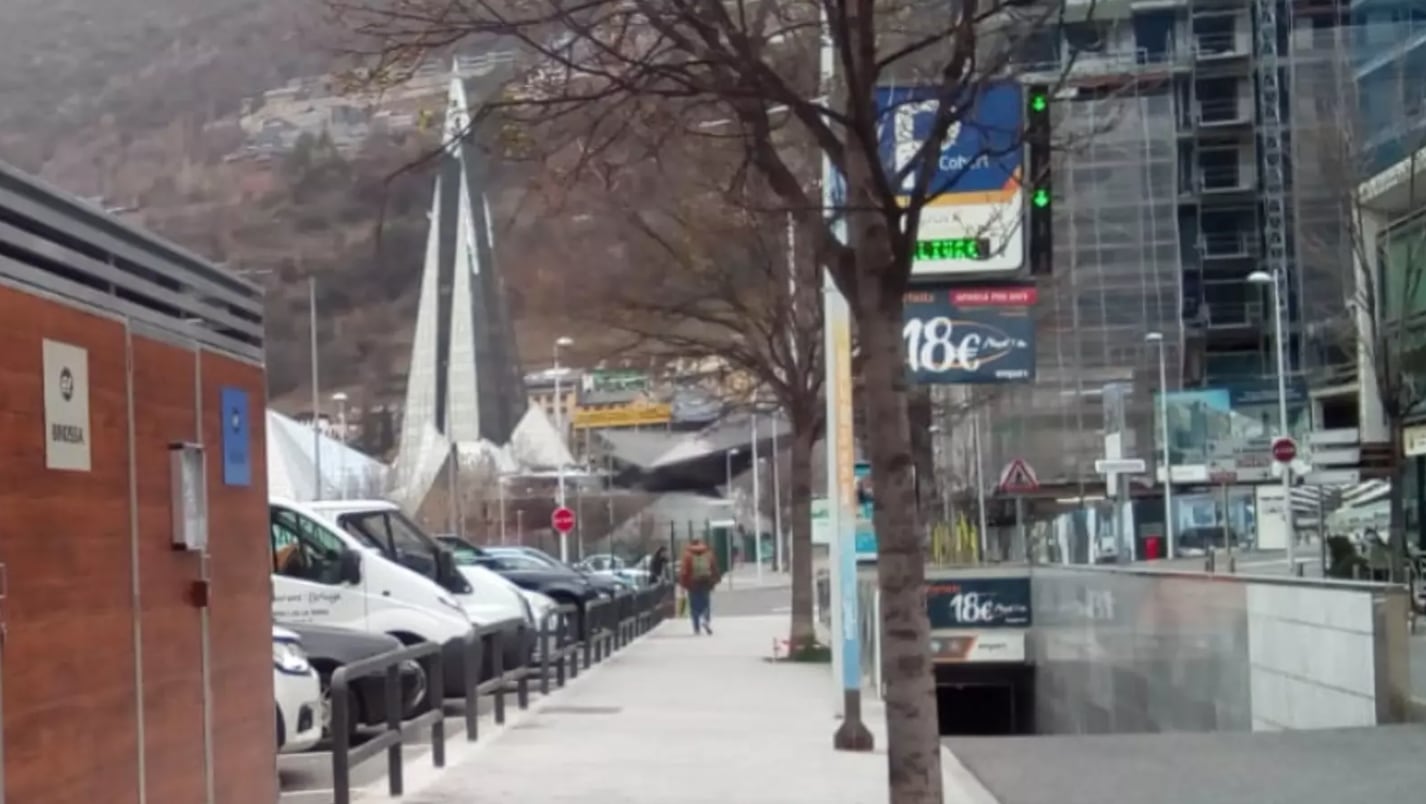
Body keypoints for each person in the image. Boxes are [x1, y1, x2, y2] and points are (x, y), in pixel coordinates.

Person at [677, 537, 720, 635]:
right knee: (706, 604)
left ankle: (696, 628)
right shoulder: (708, 554)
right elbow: (714, 568)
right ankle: (705, 620)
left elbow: (684, 572)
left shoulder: (687, 555)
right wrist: (715, 581)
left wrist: (683, 586)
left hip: (693, 584)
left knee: (694, 607)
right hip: (706, 583)